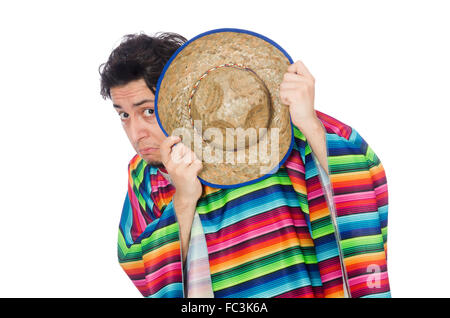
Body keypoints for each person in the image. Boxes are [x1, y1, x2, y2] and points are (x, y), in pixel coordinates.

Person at [99, 32, 390, 298]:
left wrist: (308, 122)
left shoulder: (277, 141)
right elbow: (138, 263)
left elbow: (362, 175)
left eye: (147, 111)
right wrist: (185, 198)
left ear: (177, 97)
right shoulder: (145, 176)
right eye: (123, 115)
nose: (136, 132)